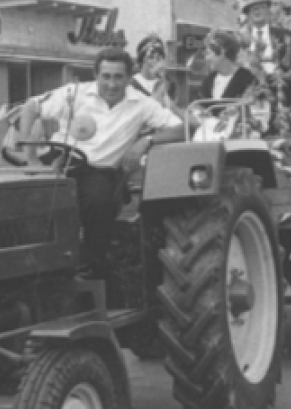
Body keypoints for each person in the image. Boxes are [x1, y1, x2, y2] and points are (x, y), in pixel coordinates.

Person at [17, 48, 184, 277]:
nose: (112, 84)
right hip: (61, 159)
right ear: (96, 75)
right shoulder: (75, 93)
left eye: (118, 77)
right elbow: (30, 108)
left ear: (128, 78)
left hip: (99, 172)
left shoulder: (142, 103)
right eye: (106, 76)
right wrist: (31, 159)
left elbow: (180, 128)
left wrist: (146, 140)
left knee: (99, 201)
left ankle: (95, 268)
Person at [199, 29, 257, 101]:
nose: (206, 58)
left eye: (208, 53)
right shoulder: (208, 81)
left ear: (222, 51)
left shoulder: (248, 79)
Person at [133, 33, 171, 102]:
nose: (155, 61)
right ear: (142, 59)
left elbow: (173, 108)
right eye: (151, 57)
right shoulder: (132, 84)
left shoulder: (167, 83)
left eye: (159, 57)